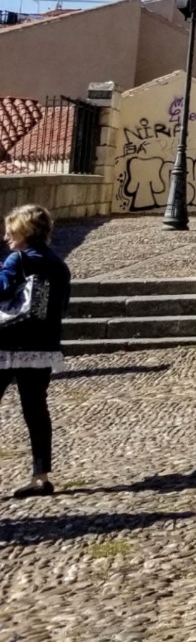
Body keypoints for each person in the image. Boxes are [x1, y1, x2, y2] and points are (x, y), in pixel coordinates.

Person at [0, 204, 70, 498]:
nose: (6, 237)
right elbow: (62, 307)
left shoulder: (18, 260)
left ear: (25, 231)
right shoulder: (58, 264)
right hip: (42, 346)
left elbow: (2, 292)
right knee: (36, 410)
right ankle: (40, 476)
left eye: (11, 231)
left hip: (6, 343)